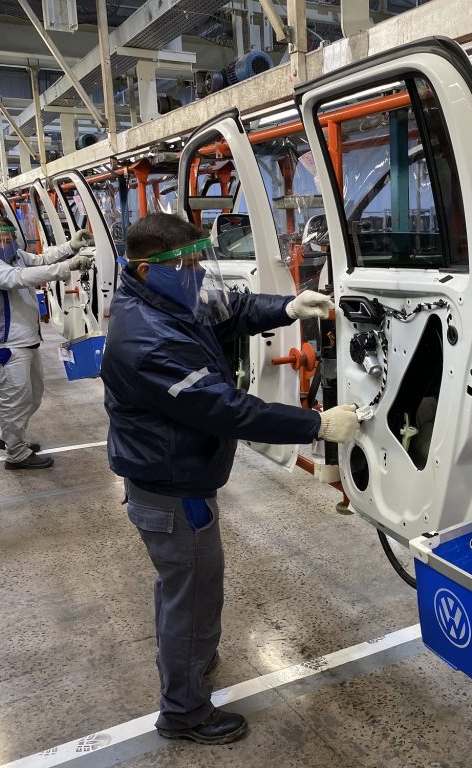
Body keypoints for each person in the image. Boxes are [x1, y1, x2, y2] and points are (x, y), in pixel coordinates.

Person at [100, 213, 360, 745]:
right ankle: (184, 712)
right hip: (173, 492)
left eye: (200, 260)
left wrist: (287, 306)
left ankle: (191, 662)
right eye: (187, 263)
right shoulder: (148, 341)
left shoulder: (162, 300)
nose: (197, 272)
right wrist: (314, 424)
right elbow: (225, 409)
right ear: (148, 269)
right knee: (193, 600)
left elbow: (230, 309)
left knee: (181, 589)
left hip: (171, 477)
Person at [0, 217, 93, 470]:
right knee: (15, 400)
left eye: (8, 239)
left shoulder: (15, 256)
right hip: (4, 343)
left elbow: (41, 260)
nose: (4, 245)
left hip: (26, 339)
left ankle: (8, 437)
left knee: (32, 396)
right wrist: (68, 266)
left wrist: (70, 247)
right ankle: (16, 453)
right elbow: (20, 278)